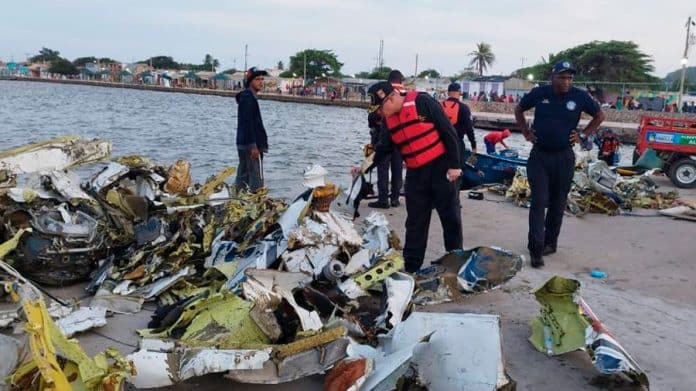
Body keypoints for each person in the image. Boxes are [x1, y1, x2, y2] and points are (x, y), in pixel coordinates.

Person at [514, 60, 605, 267]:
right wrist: (526, 132)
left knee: (557, 202)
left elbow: (600, 115)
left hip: (564, 157)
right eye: (562, 77)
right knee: (539, 201)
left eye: (570, 78)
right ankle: (535, 248)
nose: (566, 81)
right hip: (540, 156)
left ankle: (550, 242)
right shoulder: (539, 93)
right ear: (552, 77)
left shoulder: (579, 96)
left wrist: (583, 134)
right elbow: (519, 109)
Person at [365, 81, 463, 272]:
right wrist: (363, 167)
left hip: (441, 168)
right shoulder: (388, 120)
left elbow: (448, 132)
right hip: (416, 174)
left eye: (380, 108)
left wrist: (454, 166)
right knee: (415, 222)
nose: (379, 113)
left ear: (391, 97)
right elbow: (383, 148)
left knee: (450, 217)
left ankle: (455, 262)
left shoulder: (423, 102)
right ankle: (411, 266)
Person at [234, 67, 269, 192]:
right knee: (256, 177)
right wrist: (253, 145)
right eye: (257, 79)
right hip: (250, 144)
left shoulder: (247, 97)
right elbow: (247, 123)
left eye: (262, 79)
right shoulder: (248, 97)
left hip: (243, 142)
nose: (261, 82)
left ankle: (239, 198)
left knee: (243, 174)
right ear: (250, 81)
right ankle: (255, 201)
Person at [367, 111, 402, 208]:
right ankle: (395, 199)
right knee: (397, 170)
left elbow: (372, 122)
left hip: (383, 140)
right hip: (397, 139)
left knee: (382, 170)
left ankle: (383, 200)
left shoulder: (379, 106)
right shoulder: (396, 105)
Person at [441, 82, 477, 157]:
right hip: (456, 143)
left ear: (448, 93)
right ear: (460, 92)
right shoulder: (464, 108)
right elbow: (469, 128)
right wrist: (473, 145)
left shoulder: (438, 106)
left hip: (439, 144)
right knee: (458, 167)